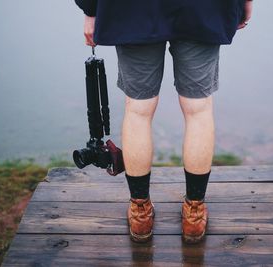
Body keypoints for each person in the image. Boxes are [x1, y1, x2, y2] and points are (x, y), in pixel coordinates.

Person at [75, 0, 253, 244]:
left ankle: (141, 213)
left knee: (138, 110)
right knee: (198, 110)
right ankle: (194, 213)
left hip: (133, 10)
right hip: (203, 8)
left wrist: (90, 9)